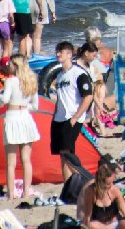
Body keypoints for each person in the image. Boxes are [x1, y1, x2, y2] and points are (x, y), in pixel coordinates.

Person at [0, 55, 40, 201]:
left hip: (12, 117)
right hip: (26, 118)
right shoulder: (32, 81)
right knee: (26, 159)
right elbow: (35, 106)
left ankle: (11, 194)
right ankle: (26, 192)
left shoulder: (10, 81)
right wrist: (24, 106)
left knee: (11, 162)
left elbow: (4, 101)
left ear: (15, 66)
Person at [51, 41, 94, 181]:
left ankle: (69, 184)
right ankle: (73, 183)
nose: (58, 54)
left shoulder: (78, 73)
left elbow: (88, 96)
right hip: (59, 118)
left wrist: (76, 117)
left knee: (66, 152)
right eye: (57, 51)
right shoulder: (59, 76)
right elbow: (61, 98)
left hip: (72, 118)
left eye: (61, 52)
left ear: (69, 54)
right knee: (64, 153)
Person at [79, 160, 125, 229]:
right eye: (108, 184)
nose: (110, 186)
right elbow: (88, 217)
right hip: (99, 225)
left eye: (112, 182)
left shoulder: (114, 190)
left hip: (115, 223)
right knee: (93, 225)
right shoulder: (90, 191)